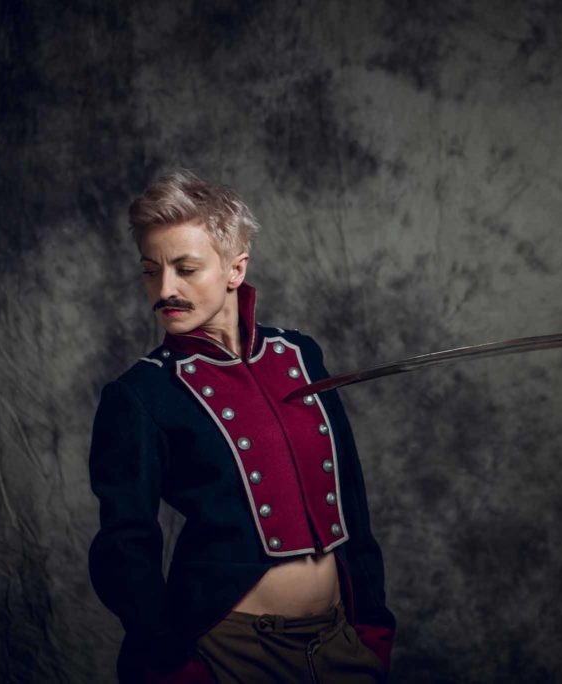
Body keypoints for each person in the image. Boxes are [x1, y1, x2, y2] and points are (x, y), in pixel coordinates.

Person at [88, 171, 394, 683]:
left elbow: (350, 498)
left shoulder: (299, 354)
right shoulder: (140, 395)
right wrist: (174, 663)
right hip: (231, 650)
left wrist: (373, 627)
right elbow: (125, 547)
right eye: (150, 271)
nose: (165, 290)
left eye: (186, 269)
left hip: (340, 637)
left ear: (235, 269)